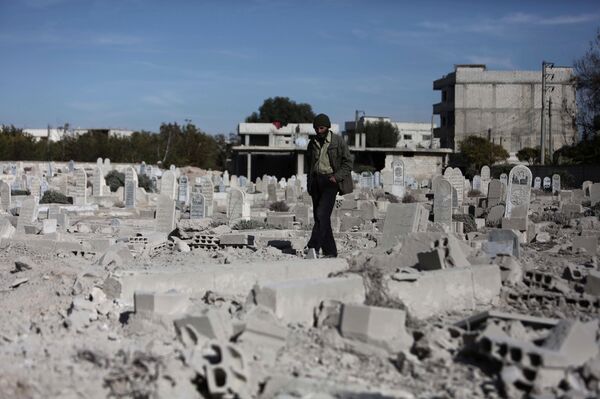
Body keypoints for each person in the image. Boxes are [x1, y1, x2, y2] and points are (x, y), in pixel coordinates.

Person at [306, 113, 353, 258]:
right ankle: (330, 251)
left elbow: (348, 163)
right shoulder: (312, 143)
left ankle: (313, 247)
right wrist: (310, 182)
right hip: (316, 181)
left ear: (327, 127)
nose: (318, 131)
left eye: (321, 128)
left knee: (322, 214)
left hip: (330, 182)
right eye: (316, 129)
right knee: (321, 218)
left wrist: (336, 177)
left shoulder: (337, 142)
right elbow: (310, 164)